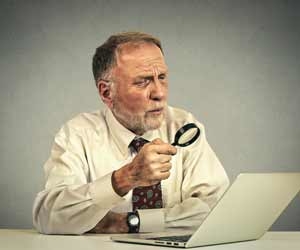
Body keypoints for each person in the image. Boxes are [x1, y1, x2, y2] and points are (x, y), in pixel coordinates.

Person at [32, 32, 229, 235]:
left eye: (161, 77)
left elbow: (217, 209)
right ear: (106, 93)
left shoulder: (184, 126)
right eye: (142, 81)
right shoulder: (77, 134)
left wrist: (130, 222)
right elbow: (49, 217)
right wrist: (125, 178)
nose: (160, 93)